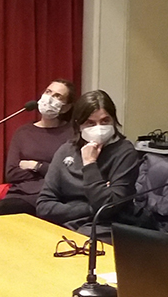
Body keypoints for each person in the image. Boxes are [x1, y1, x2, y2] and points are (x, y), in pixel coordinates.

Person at [35, 90, 141, 228]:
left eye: (105, 121)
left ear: (113, 120)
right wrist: (90, 208)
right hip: (67, 224)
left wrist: (90, 163)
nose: (99, 128)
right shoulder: (66, 150)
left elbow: (108, 208)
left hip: (107, 227)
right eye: (90, 123)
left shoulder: (124, 152)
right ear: (79, 125)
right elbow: (44, 206)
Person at [0, 79, 76, 216]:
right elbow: (12, 173)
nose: (50, 98)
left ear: (66, 107)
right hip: (20, 194)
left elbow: (67, 173)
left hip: (52, 195)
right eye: (48, 92)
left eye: (58, 96)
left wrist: (36, 166)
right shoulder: (23, 132)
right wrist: (48, 170)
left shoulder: (72, 133)